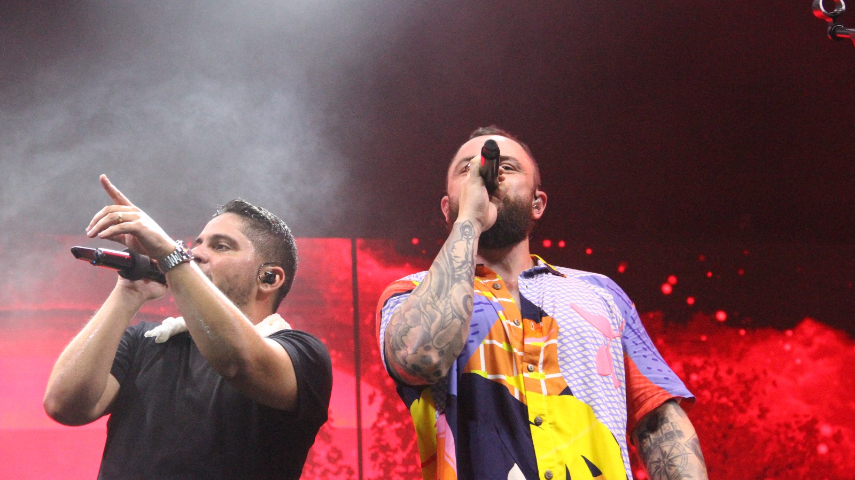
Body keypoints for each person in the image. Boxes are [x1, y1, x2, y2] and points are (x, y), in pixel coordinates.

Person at [376, 127, 708, 480]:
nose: (487, 175)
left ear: (538, 204)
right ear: (447, 208)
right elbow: (420, 358)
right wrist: (470, 219)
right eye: (468, 170)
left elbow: (657, 421)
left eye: (507, 167)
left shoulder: (601, 293)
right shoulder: (411, 293)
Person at [44, 175, 332, 480]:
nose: (195, 254)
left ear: (269, 278)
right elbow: (64, 405)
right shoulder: (147, 340)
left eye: (221, 246)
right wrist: (128, 292)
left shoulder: (303, 354)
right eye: (196, 245)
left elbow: (238, 362)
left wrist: (171, 255)